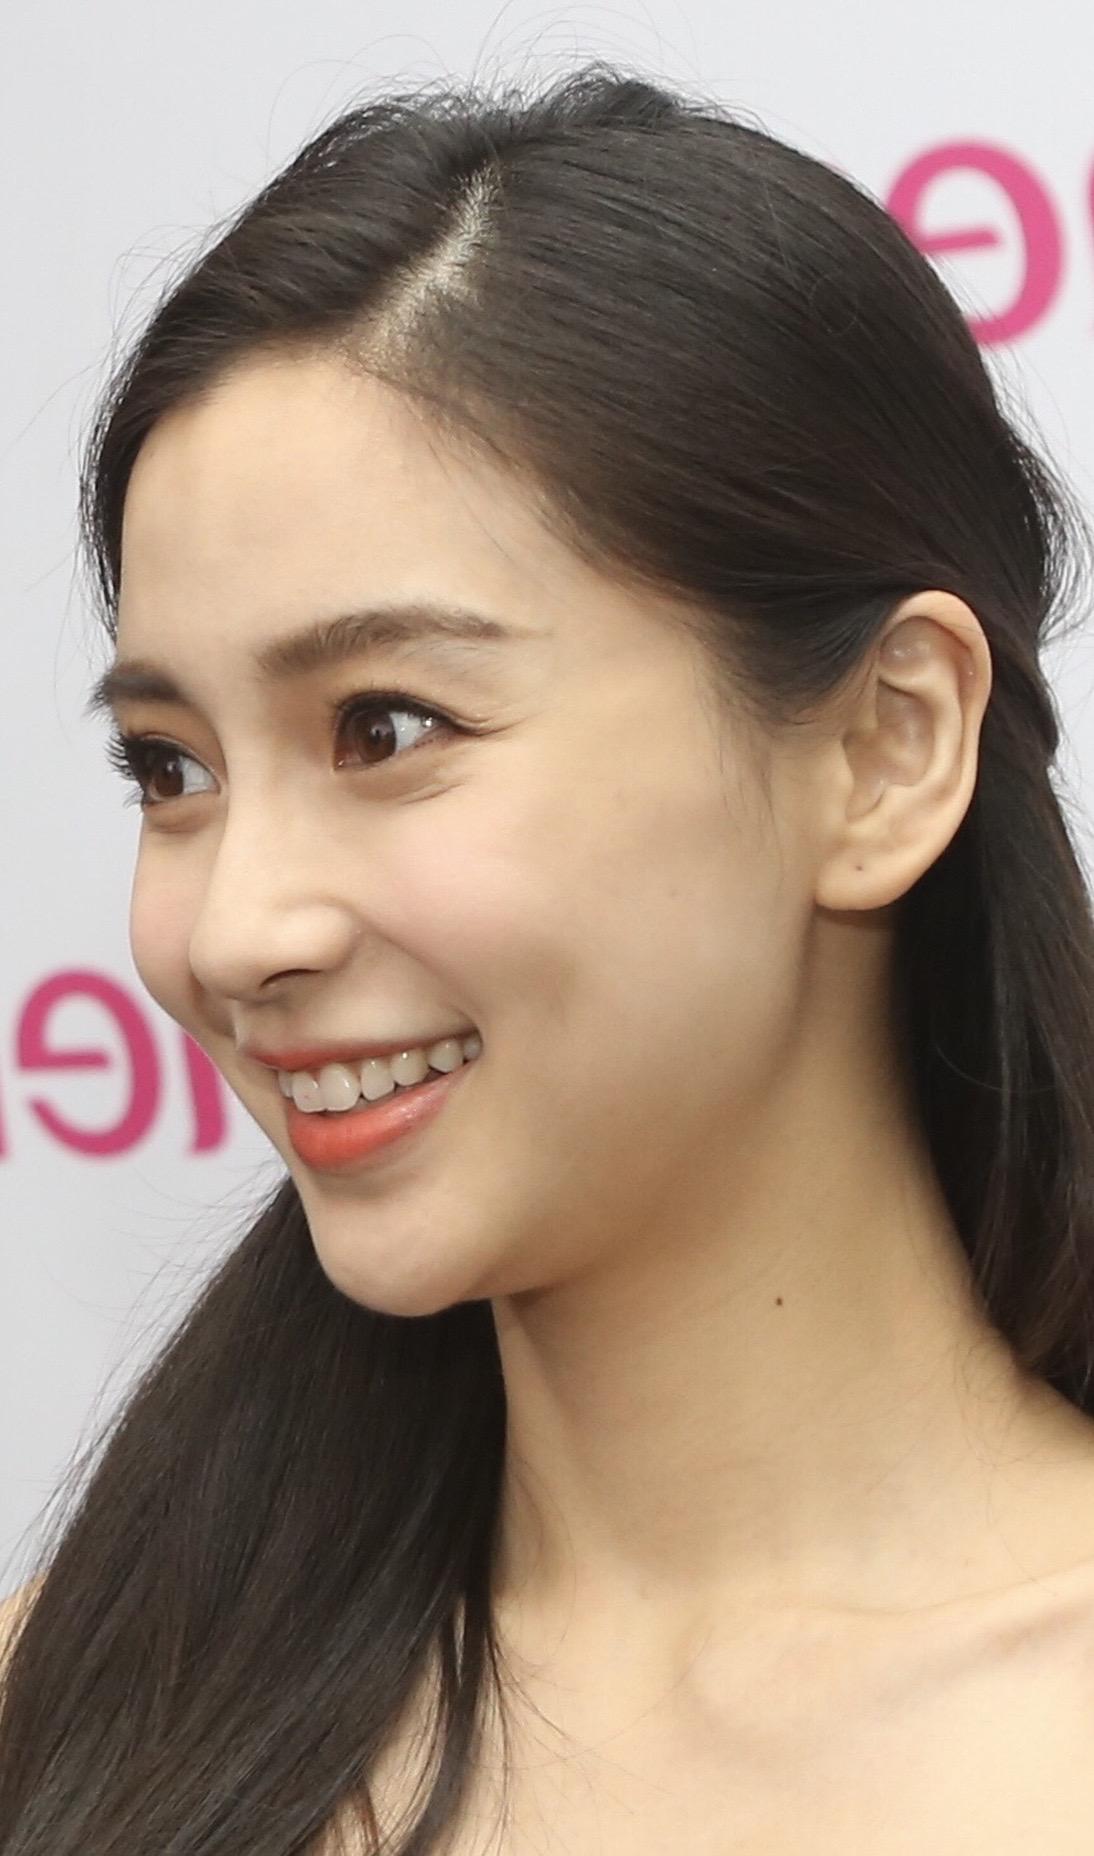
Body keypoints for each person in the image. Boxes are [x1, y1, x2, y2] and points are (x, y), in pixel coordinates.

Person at [4, 58, 1094, 1856]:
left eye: (386, 726)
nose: (236, 931)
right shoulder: (71, 1702)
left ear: (883, 748)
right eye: (170, 769)